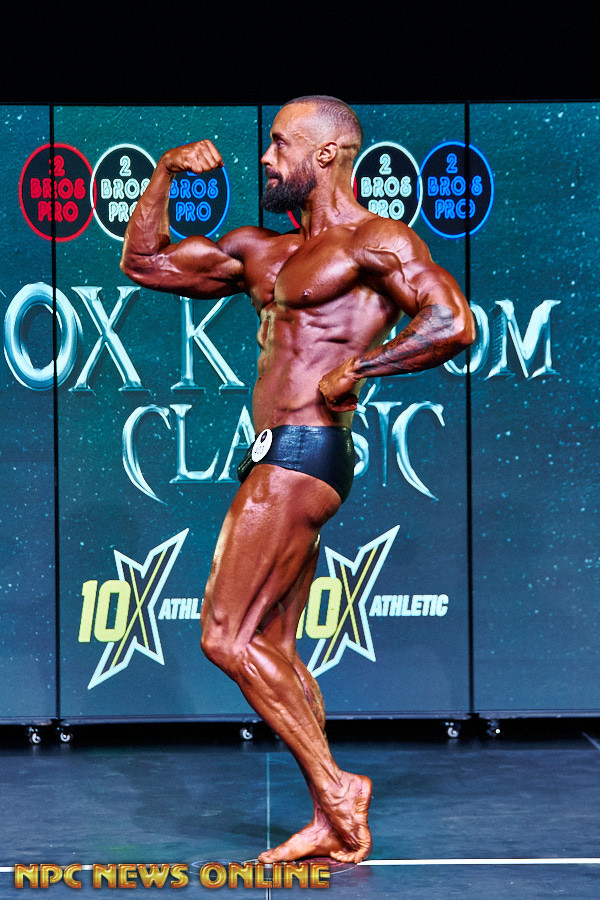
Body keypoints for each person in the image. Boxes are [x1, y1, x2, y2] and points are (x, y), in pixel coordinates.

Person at [120, 95, 475, 864]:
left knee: (225, 635)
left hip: (305, 451)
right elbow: (144, 262)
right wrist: (166, 171)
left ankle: (339, 791)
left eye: (281, 144)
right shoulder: (265, 251)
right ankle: (328, 815)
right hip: (272, 454)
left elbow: (453, 322)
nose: (265, 157)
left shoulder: (374, 240)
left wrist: (362, 369)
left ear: (326, 154)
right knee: (274, 644)